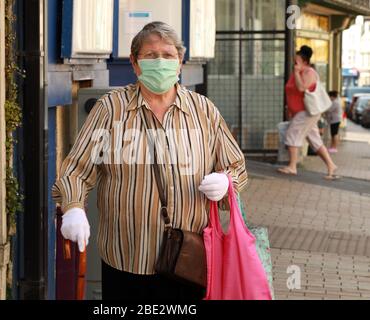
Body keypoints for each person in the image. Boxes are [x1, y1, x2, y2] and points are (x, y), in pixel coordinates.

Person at [52, 21, 248, 300]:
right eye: (150, 55)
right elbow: (77, 170)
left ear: (180, 62)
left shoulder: (203, 111)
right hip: (125, 256)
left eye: (168, 55)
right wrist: (72, 207)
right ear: (134, 63)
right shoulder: (111, 108)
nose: (160, 62)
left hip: (187, 260)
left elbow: (236, 166)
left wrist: (226, 181)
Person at [278, 45, 339, 180]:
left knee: (292, 135)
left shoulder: (309, 72)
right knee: (315, 141)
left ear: (304, 62)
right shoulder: (299, 72)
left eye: (297, 61)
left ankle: (292, 166)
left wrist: (297, 71)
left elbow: (301, 88)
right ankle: (331, 165)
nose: (295, 63)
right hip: (300, 112)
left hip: (306, 112)